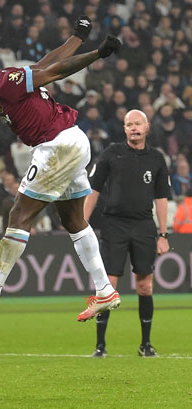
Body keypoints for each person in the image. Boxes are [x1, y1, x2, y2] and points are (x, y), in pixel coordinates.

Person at [0, 17, 123, 322]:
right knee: (72, 220)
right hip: (70, 141)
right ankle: (105, 290)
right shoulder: (4, 84)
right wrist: (78, 39)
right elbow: (47, 63)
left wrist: (97, 54)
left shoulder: (3, 83)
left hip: (57, 145)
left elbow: (53, 72)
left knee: (19, 215)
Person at [83, 109, 171, 358]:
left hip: (144, 225)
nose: (133, 128)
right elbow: (94, 189)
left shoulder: (156, 158)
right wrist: (82, 224)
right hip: (114, 224)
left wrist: (163, 235)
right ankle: (100, 346)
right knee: (108, 286)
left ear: (147, 127)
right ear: (124, 129)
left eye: (138, 124)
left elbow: (162, 197)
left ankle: (146, 344)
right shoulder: (112, 153)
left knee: (145, 285)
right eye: (129, 124)